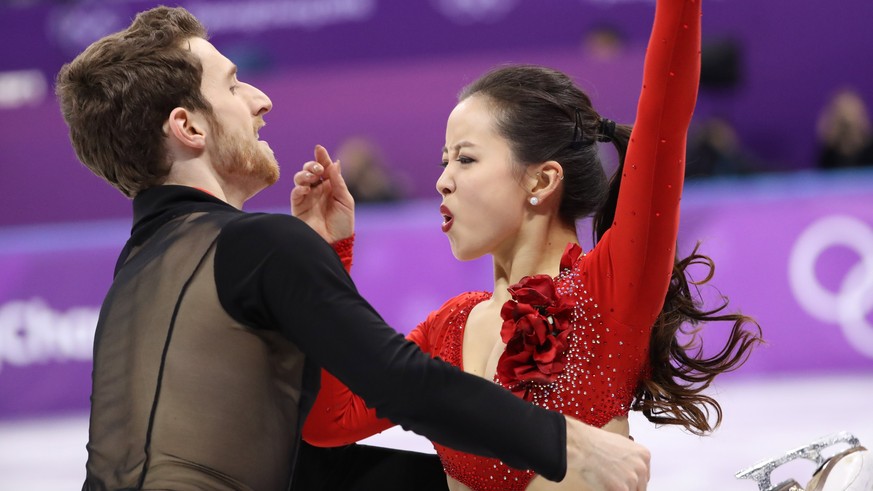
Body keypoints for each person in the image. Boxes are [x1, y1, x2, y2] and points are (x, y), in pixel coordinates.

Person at [55, 6, 652, 491]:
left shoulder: (135, 272)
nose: (261, 100)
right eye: (235, 85)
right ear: (189, 128)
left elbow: (314, 457)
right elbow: (401, 383)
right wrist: (567, 444)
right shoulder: (258, 243)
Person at [293, 0, 762, 489]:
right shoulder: (448, 328)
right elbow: (328, 424)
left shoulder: (607, 293)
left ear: (542, 180)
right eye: (443, 161)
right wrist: (329, 255)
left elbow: (665, 112)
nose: (442, 182)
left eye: (465, 159)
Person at [816, 88, 873, 169]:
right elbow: (823, 175)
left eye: (851, 111)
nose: (847, 116)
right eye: (843, 112)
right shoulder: (829, 150)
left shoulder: (869, 148)